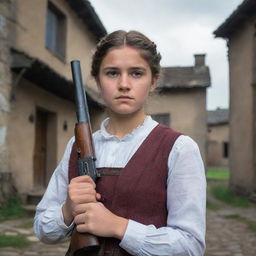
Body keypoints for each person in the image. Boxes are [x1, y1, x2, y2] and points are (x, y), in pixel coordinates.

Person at [34, 30, 206, 256]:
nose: (124, 84)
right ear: (98, 81)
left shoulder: (180, 148)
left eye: (136, 73)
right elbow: (42, 229)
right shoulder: (75, 146)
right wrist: (67, 210)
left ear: (153, 81)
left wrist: (119, 227)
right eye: (112, 73)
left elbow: (190, 245)